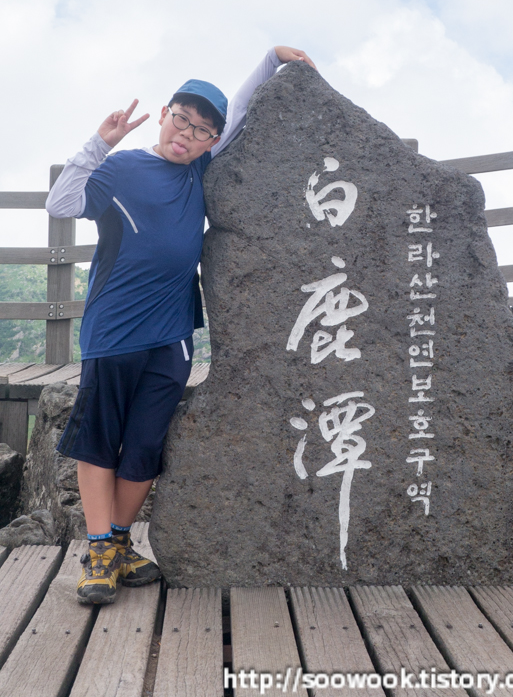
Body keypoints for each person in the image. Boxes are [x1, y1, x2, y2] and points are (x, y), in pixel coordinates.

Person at [46, 45, 316, 604]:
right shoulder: (121, 168)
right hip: (113, 331)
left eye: (201, 131)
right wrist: (100, 142)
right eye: (182, 119)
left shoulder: (200, 169)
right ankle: (98, 550)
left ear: (211, 142)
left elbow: (240, 110)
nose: (187, 134)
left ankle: (118, 542)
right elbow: (61, 203)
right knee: (99, 442)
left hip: (172, 338)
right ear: (164, 115)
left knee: (145, 447)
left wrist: (270, 59)